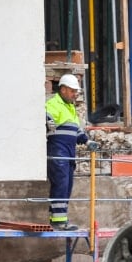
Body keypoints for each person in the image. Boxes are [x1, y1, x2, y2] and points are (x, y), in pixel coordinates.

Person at [45, 74, 96, 230]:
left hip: (68, 153)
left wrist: (87, 141)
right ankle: (59, 222)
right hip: (57, 151)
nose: (76, 94)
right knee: (60, 185)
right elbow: (44, 118)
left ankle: (60, 219)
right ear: (63, 89)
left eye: (76, 91)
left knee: (66, 186)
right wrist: (47, 122)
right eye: (73, 91)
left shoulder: (70, 107)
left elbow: (77, 130)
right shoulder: (54, 103)